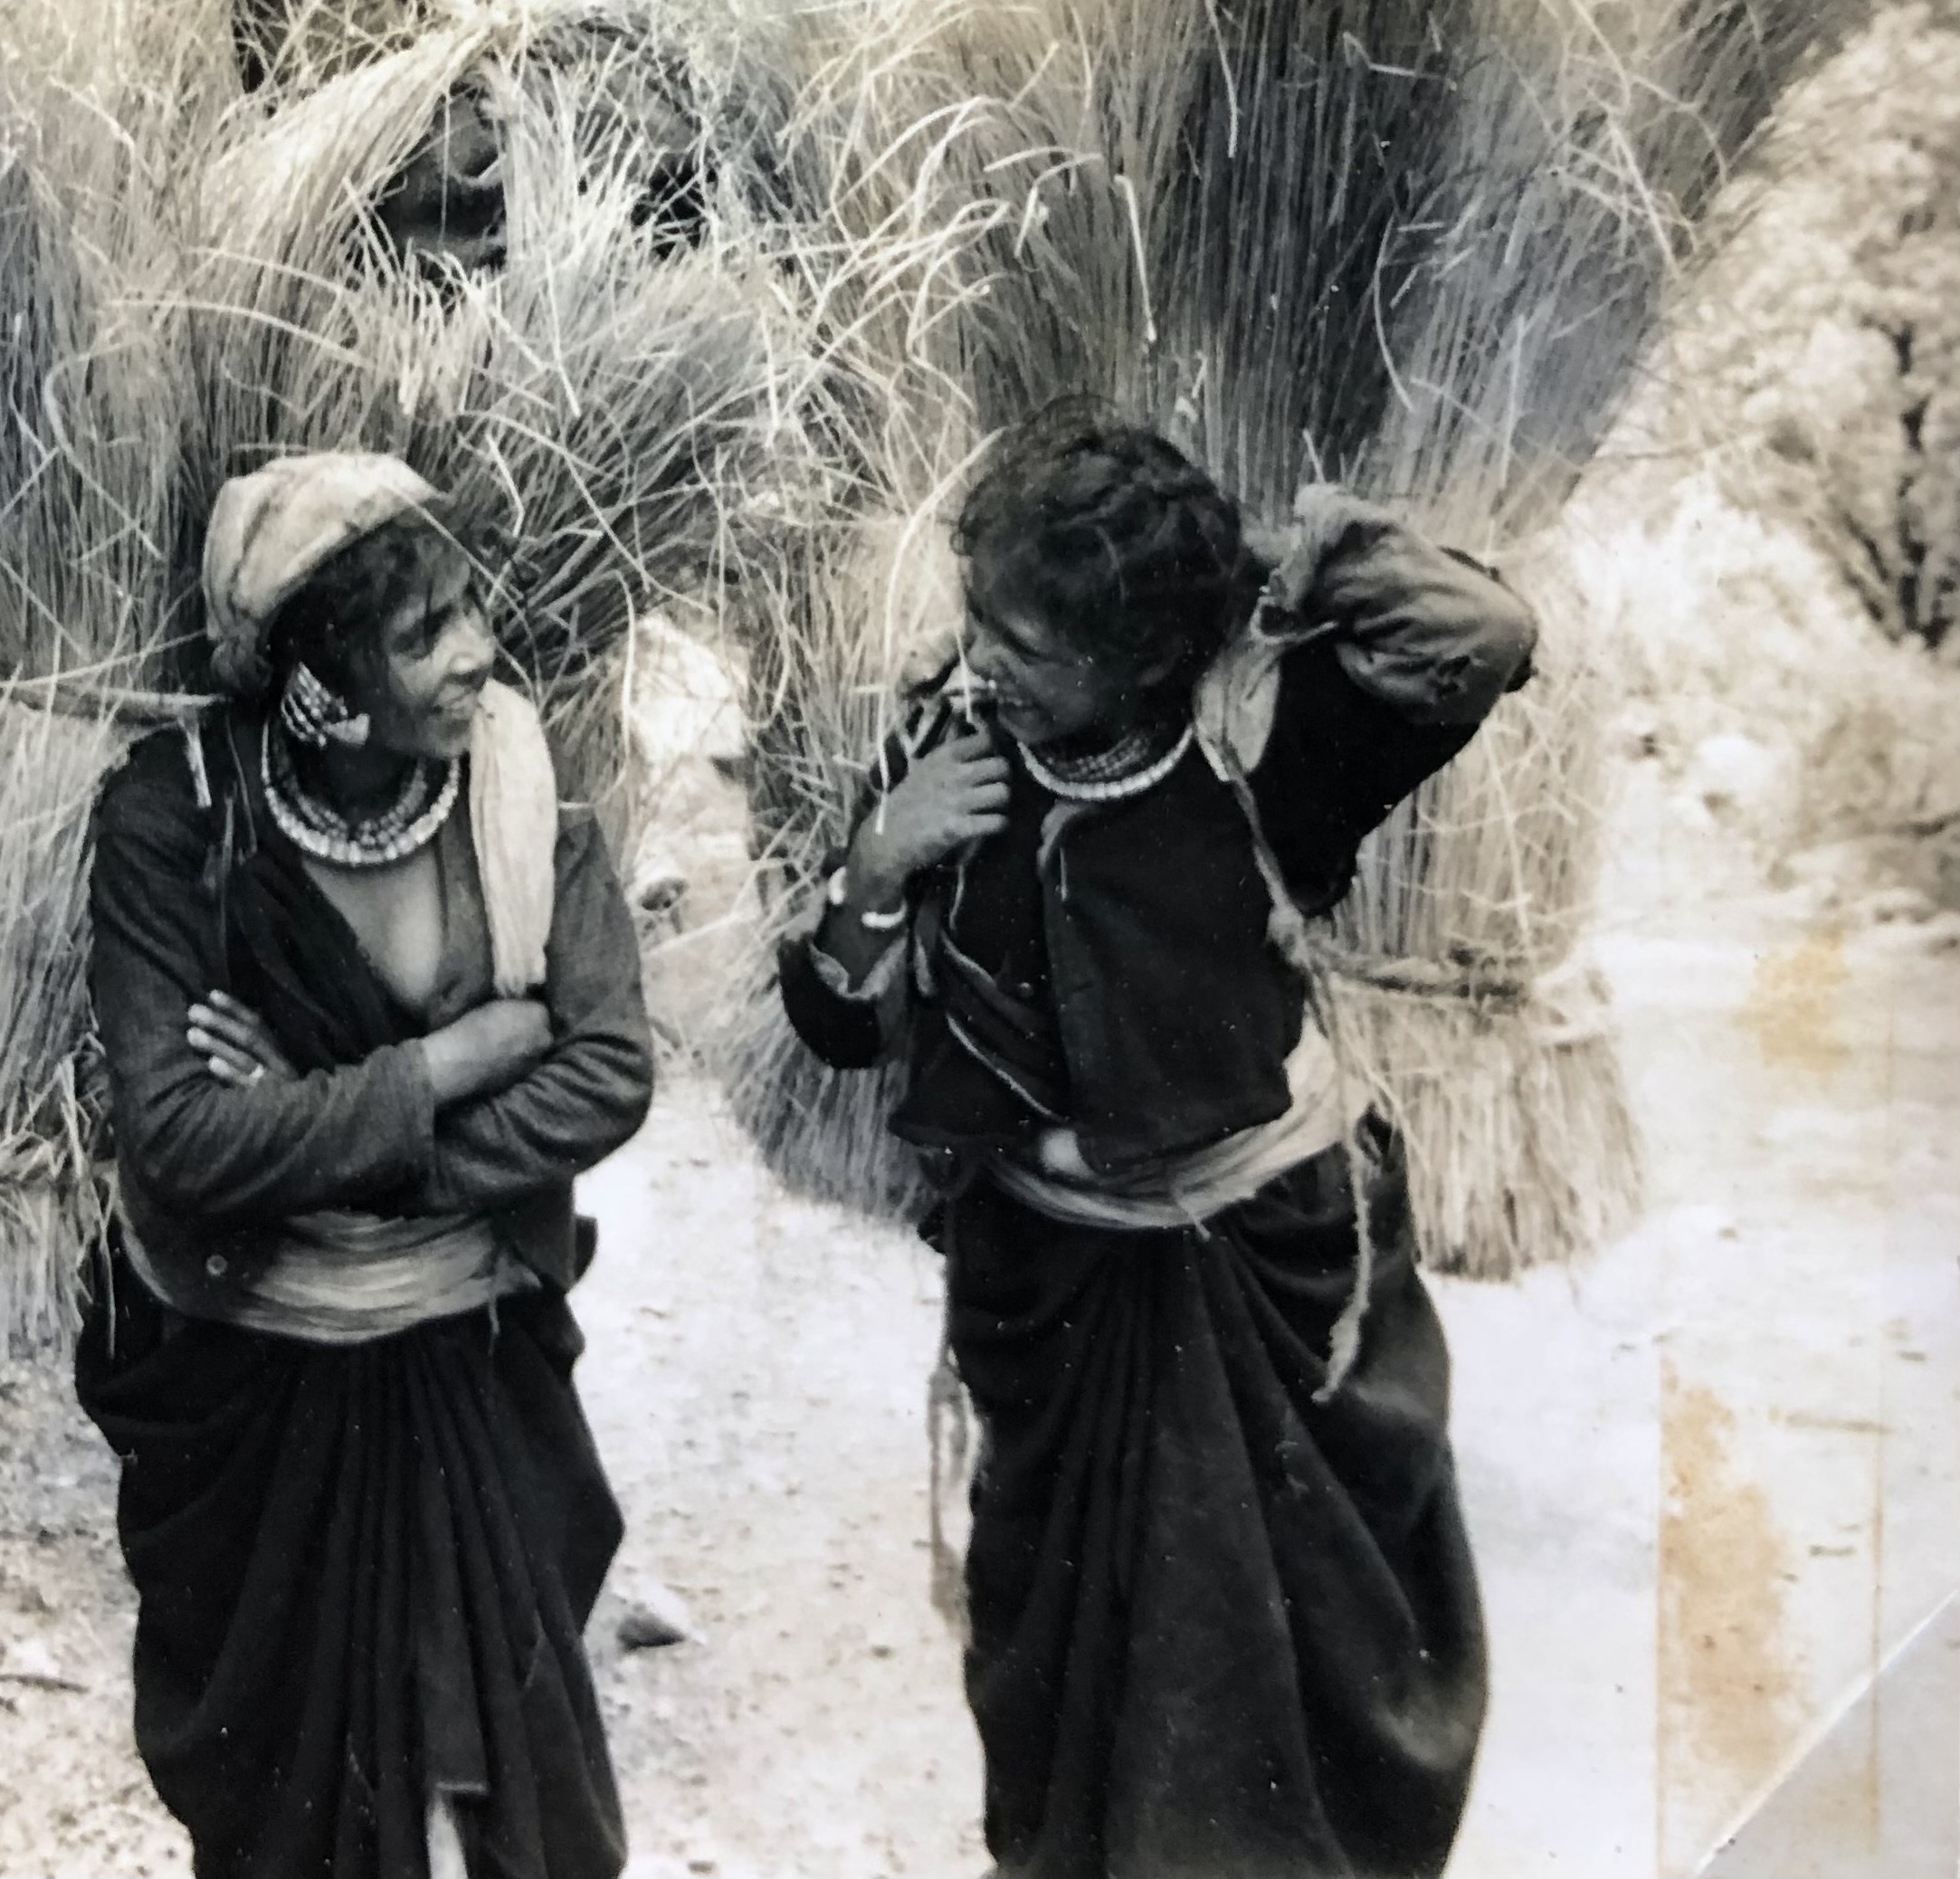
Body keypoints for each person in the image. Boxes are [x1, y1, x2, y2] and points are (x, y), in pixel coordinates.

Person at [777, 408, 1539, 1879]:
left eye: (1027, 641)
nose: (983, 660)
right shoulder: (946, 746)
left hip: (1261, 1272)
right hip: (1050, 1281)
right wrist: (880, 860)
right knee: (1064, 1681)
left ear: (1135, 657)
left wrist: (1228, 563)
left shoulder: (1263, 745)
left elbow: (1482, 631)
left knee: (1283, 1690)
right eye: (979, 617)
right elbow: (832, 1023)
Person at [78, 451, 652, 1879]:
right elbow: (180, 1137)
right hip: (256, 1361)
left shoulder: (518, 786)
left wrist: (350, 1141)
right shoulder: (177, 815)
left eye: (472, 607)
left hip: (467, 1340)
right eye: (421, 633)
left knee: (525, 1814)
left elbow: (605, 1069)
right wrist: (442, 1066)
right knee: (295, 1815)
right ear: (320, 689)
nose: (476, 652)